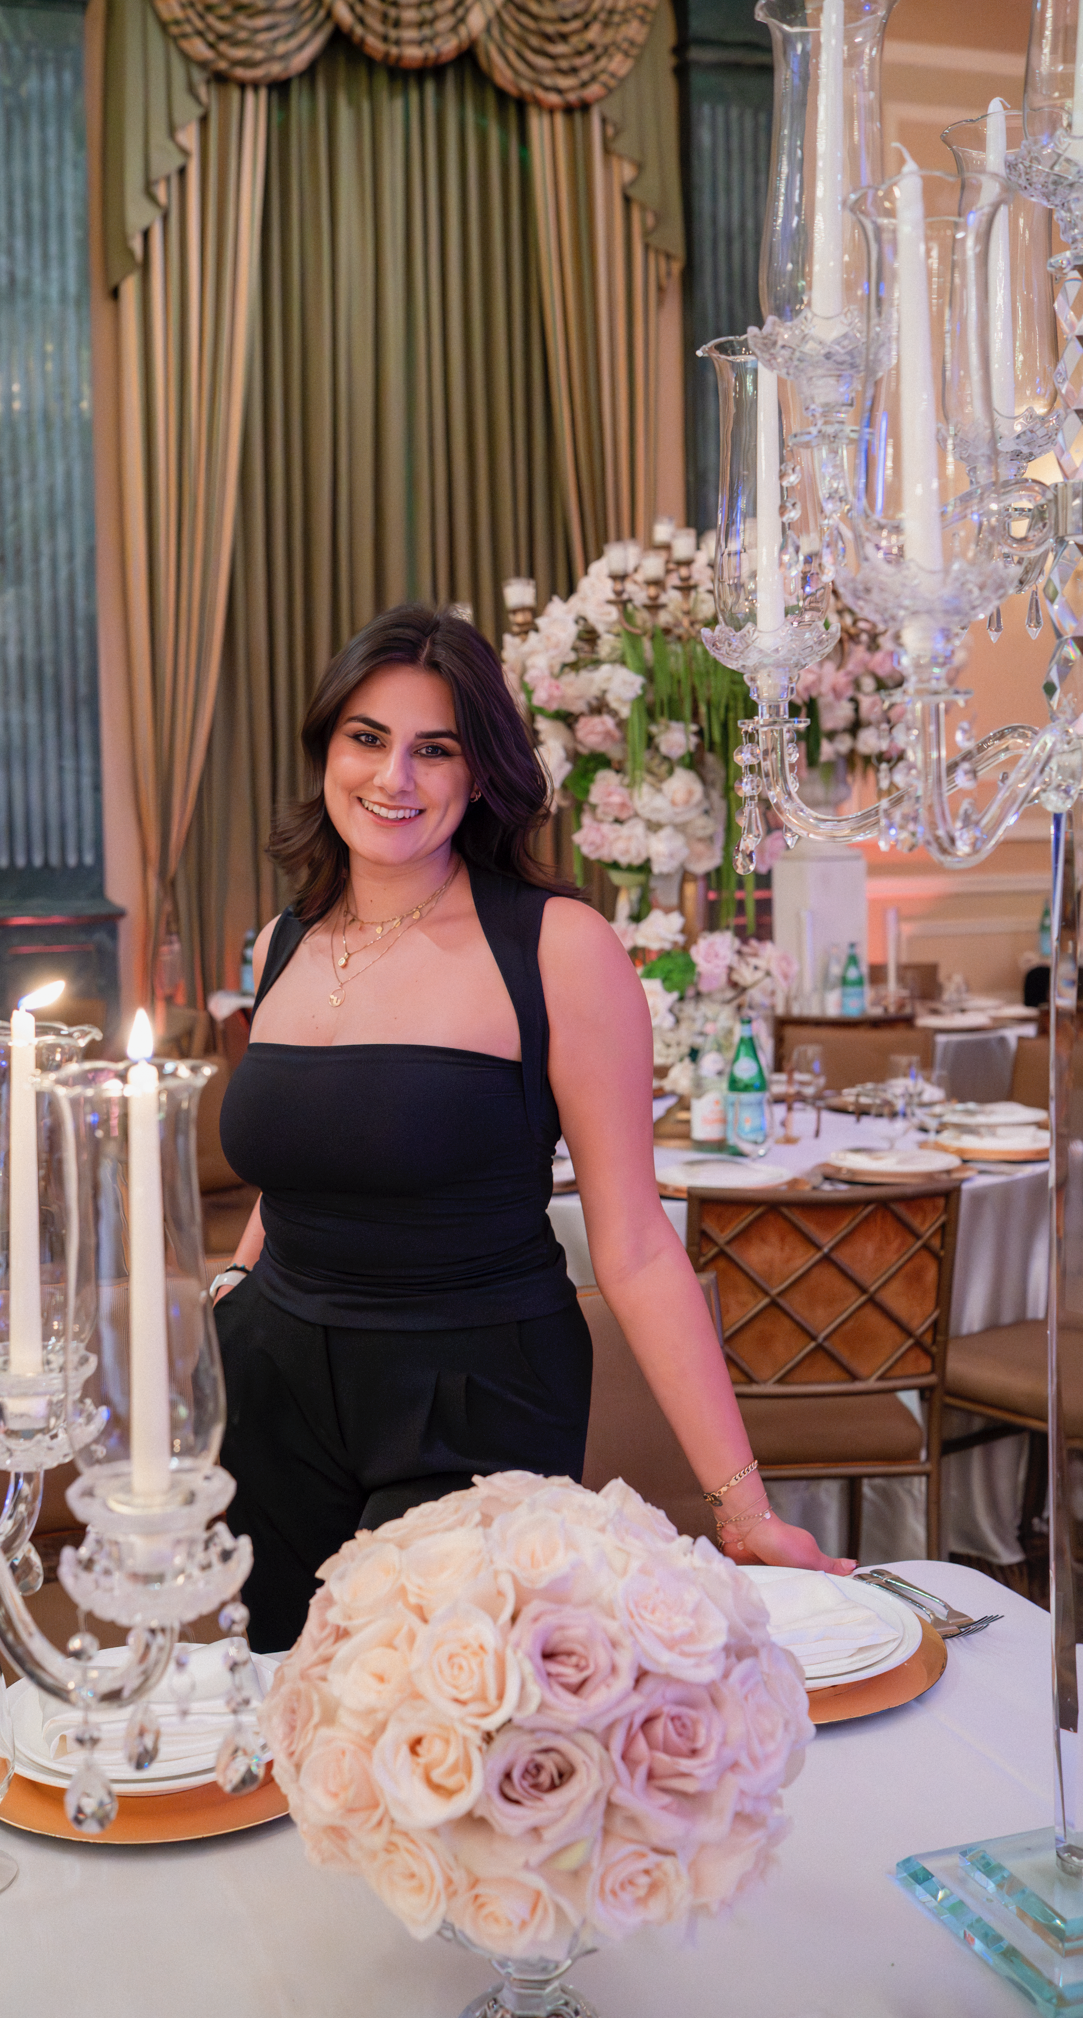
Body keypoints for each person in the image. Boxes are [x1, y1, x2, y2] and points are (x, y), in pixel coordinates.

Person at [214, 604, 853, 1651]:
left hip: (470, 1393)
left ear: (480, 776)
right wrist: (235, 1285)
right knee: (294, 1714)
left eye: (436, 749)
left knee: (434, 1714)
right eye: (366, 738)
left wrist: (742, 1509)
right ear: (326, 748)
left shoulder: (557, 946)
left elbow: (638, 1244)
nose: (394, 779)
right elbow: (298, 1165)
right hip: (270, 1388)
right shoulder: (284, 938)